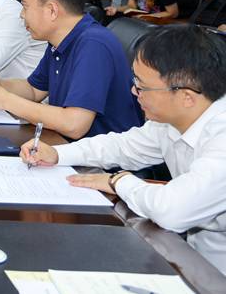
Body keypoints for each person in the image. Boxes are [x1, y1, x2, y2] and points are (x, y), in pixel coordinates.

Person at [21, 25, 226, 275]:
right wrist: (58, 154)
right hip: (192, 260)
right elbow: (122, 147)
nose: (133, 91)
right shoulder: (173, 120)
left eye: (142, 86)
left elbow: (172, 211)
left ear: (187, 97)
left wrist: (118, 181)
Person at [0, 0, 142, 138]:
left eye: (25, 6)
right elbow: (33, 90)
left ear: (52, 11)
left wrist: (5, 100)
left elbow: (74, 124)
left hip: (102, 156)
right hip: (67, 146)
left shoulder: (94, 45)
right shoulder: (59, 40)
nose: (21, 15)